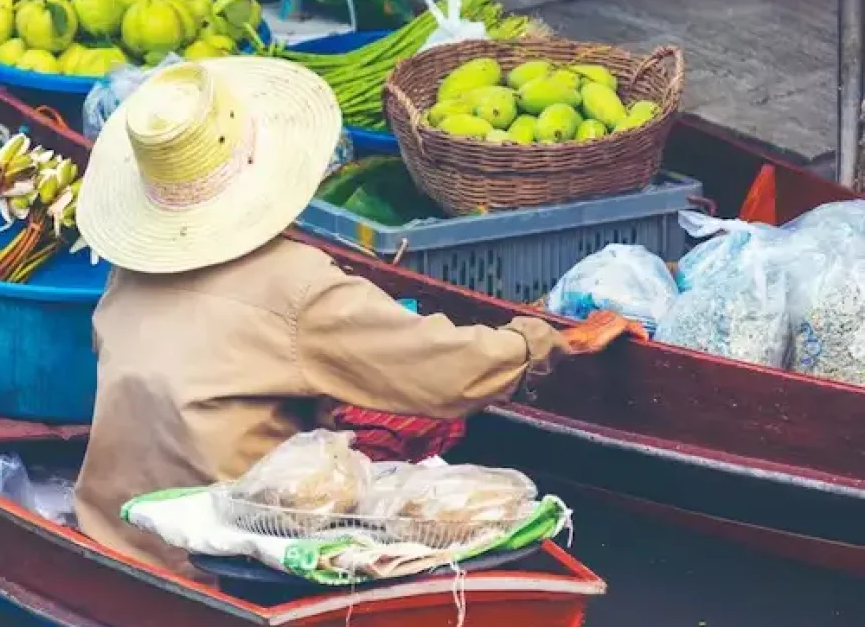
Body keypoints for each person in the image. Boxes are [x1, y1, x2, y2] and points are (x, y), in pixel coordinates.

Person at [73, 58, 645, 575]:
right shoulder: (295, 283)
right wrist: (546, 343)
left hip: (111, 536)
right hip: (218, 559)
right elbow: (442, 368)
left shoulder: (129, 275)